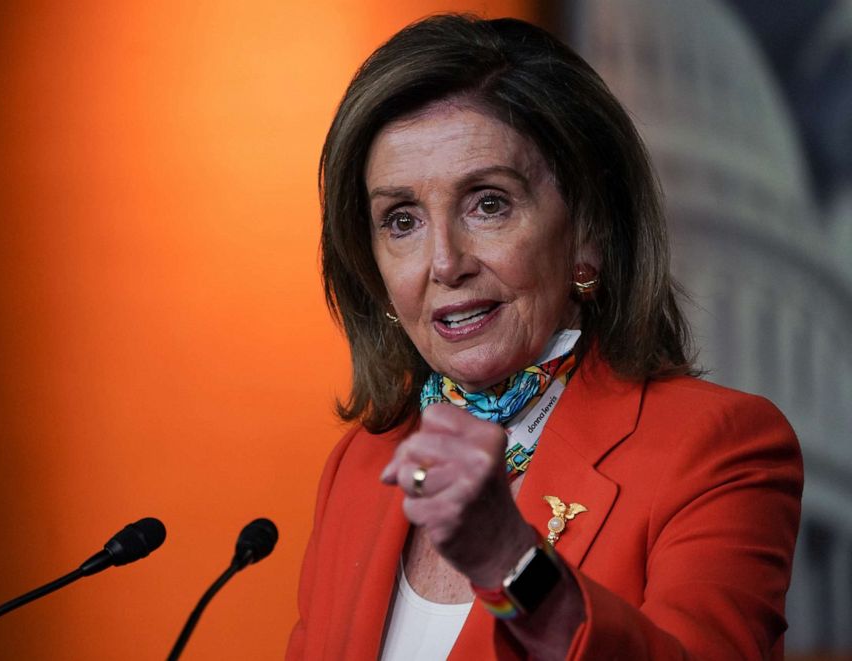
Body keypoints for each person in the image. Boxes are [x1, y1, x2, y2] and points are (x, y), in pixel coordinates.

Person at [287, 14, 802, 660]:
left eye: (488, 203)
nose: (444, 262)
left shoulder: (716, 451)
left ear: (586, 230)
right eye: (402, 220)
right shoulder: (361, 468)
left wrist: (511, 561)